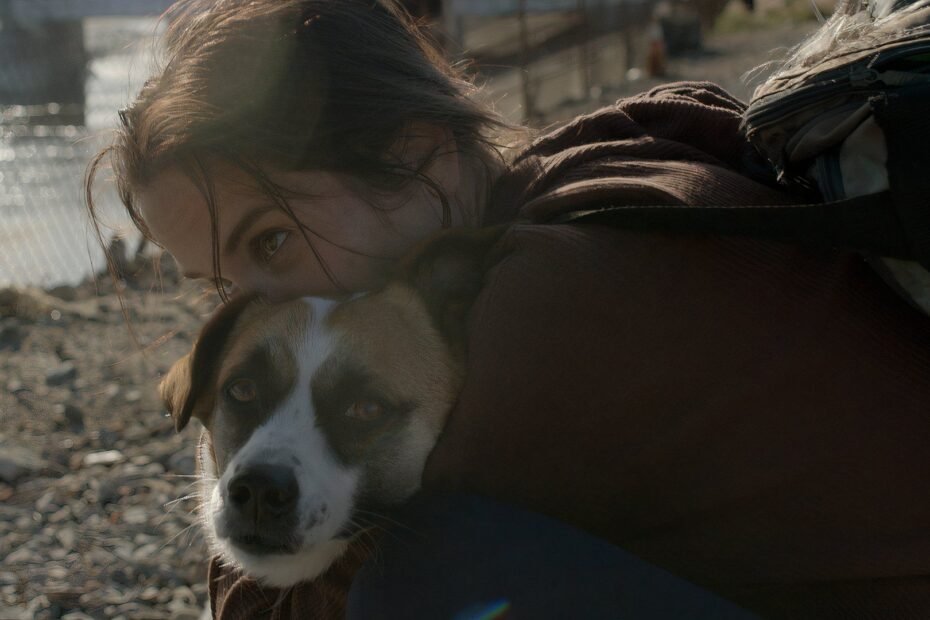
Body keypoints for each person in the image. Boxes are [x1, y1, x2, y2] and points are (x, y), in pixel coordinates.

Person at [85, 1, 930, 618]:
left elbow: (282, 607)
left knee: (427, 582)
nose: (261, 305)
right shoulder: (588, 173)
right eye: (217, 284)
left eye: (269, 241)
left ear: (418, 151)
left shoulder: (546, 312)